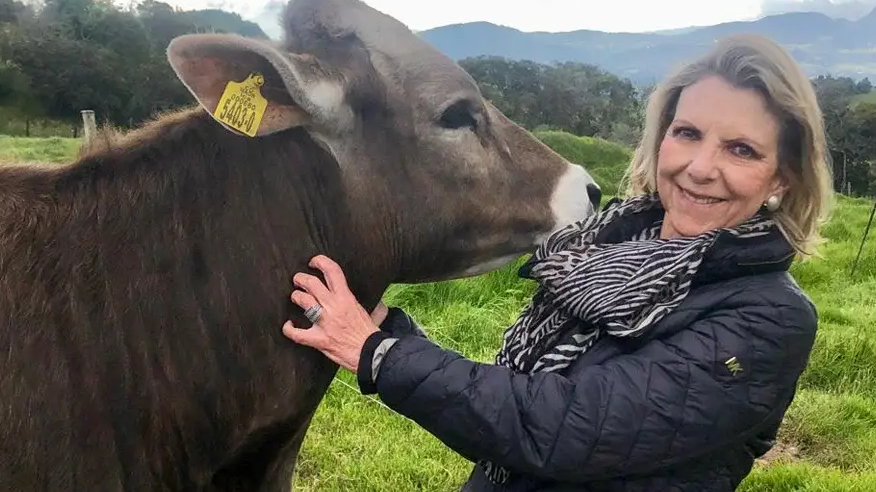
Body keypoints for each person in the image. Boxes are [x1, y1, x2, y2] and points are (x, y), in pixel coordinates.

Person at [282, 32, 835, 491]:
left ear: (782, 178)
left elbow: (563, 429)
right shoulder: (605, 250)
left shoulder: (768, 320)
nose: (700, 167)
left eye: (741, 150)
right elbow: (513, 392)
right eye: (687, 133)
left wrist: (378, 353)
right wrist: (391, 332)